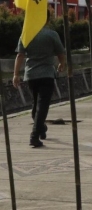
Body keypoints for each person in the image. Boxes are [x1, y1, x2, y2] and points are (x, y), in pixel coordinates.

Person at [13, 11, 66, 148]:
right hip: (47, 74)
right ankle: (34, 136)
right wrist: (62, 64)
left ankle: (41, 129)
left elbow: (20, 55)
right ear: (47, 20)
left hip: (31, 75)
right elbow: (61, 53)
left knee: (36, 104)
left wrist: (15, 74)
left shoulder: (26, 34)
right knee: (42, 106)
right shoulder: (52, 34)